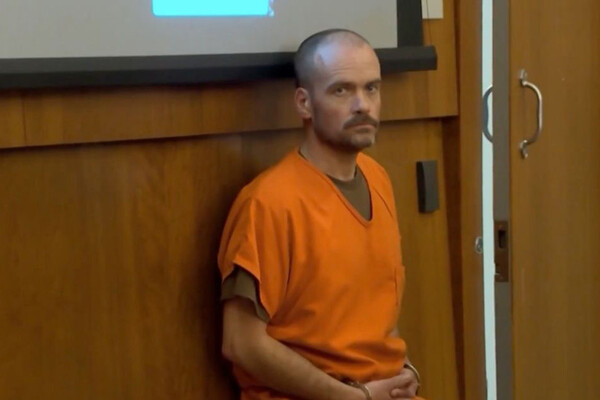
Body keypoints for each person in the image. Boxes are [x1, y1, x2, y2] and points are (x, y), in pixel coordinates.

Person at [218, 29, 424, 400]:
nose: (362, 105)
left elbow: (373, 320)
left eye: (372, 88)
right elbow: (241, 343)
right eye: (341, 90)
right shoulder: (268, 202)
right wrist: (354, 397)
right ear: (304, 104)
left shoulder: (378, 178)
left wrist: (404, 370)